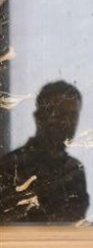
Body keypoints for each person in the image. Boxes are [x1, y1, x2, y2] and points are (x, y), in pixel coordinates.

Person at [0, 80, 88, 223]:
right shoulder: (11, 166)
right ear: (39, 117)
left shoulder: (74, 170)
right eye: (58, 114)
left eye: (73, 115)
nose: (66, 122)